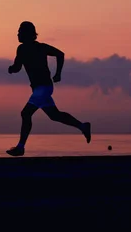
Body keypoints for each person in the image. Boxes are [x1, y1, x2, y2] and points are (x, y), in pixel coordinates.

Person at [6, 21, 91, 156]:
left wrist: (58, 73)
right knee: (55, 115)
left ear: (26, 34)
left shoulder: (38, 48)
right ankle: (83, 126)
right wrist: (12, 69)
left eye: (19, 32)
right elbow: (17, 67)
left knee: (25, 113)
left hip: (43, 87)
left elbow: (60, 54)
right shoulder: (23, 49)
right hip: (39, 89)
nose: (17, 34)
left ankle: (20, 147)